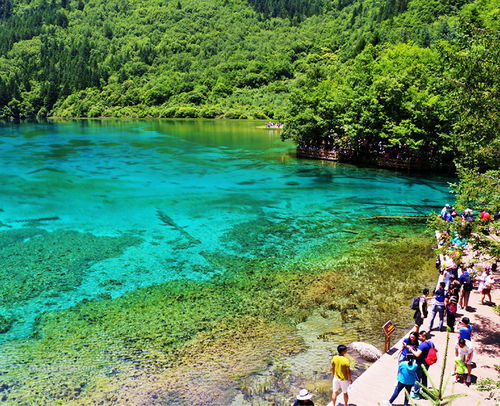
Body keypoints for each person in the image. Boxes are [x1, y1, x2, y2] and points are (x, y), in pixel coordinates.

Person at [406, 331, 436, 399]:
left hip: (421, 363)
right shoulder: (431, 343)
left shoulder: (423, 345)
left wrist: (411, 350)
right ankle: (425, 392)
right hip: (427, 363)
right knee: (424, 377)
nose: (418, 337)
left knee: (417, 378)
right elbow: (435, 350)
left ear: (424, 337)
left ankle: (416, 394)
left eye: (420, 336)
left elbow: (417, 354)